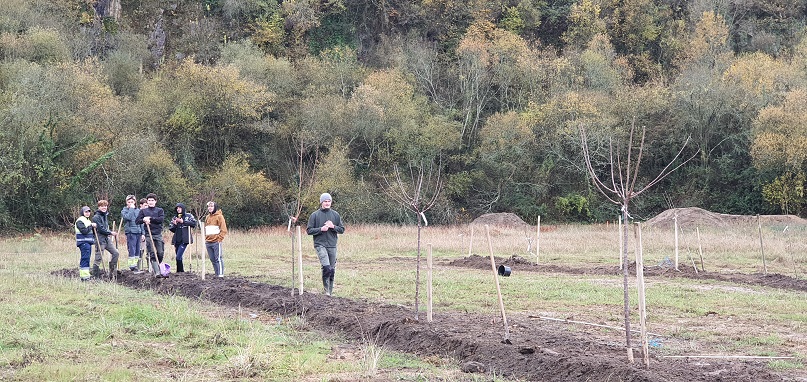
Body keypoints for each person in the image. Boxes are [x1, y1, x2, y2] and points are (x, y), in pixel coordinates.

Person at [306, 193, 345, 296]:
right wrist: (320, 229)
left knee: (332, 269)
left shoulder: (335, 215)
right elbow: (309, 230)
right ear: (321, 202)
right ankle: (326, 290)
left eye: (329, 201)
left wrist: (333, 227)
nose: (327, 203)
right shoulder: (314, 215)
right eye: (325, 201)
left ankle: (329, 292)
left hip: (332, 245)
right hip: (320, 244)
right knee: (326, 267)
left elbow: (342, 230)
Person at [136, 193, 166, 277]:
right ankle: (157, 273)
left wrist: (150, 219)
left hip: (158, 234)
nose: (150, 202)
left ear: (155, 201)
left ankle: (156, 267)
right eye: (149, 200)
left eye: (152, 200)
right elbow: (137, 221)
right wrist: (143, 219)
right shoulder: (143, 211)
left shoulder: (159, 210)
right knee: (152, 253)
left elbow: (160, 219)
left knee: (160, 252)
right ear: (147, 201)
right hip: (148, 234)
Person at [91, 199, 120, 279]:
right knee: (98, 258)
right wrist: (111, 233)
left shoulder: (105, 215)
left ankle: (112, 272)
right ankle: (95, 277)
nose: (104, 207)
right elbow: (101, 229)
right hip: (100, 240)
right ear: (99, 207)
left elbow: (105, 227)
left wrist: (109, 233)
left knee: (115, 253)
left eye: (105, 206)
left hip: (107, 239)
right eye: (102, 206)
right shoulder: (96, 217)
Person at [168, 203, 197, 273]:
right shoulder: (175, 217)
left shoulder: (188, 216)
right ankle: (179, 271)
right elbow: (171, 229)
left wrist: (183, 222)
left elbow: (194, 224)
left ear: (183, 208)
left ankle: (181, 272)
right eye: (177, 208)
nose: (178, 209)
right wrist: (174, 225)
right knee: (179, 257)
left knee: (178, 256)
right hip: (176, 239)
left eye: (180, 208)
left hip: (185, 239)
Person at [204, 201, 227, 278]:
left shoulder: (219, 217)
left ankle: (220, 275)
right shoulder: (207, 217)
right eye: (209, 206)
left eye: (211, 206)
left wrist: (219, 239)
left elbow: (223, 229)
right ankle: (216, 274)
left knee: (218, 259)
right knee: (212, 259)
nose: (210, 208)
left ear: (214, 207)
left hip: (216, 242)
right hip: (208, 242)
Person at [121, 195, 143, 273]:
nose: (130, 203)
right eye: (129, 202)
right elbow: (128, 217)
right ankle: (132, 266)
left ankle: (135, 265)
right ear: (126, 202)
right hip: (130, 232)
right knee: (132, 249)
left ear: (135, 202)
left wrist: (142, 233)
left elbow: (141, 222)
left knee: (138, 249)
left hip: (138, 232)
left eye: (132, 202)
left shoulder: (138, 211)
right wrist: (131, 209)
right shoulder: (124, 210)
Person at [75, 206, 97, 281]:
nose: (87, 213)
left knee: (87, 258)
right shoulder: (80, 220)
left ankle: (86, 275)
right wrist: (91, 226)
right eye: (86, 212)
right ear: (82, 212)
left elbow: (90, 231)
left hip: (88, 243)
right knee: (85, 258)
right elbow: (84, 231)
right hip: (83, 242)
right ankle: (84, 277)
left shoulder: (88, 221)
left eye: (88, 211)